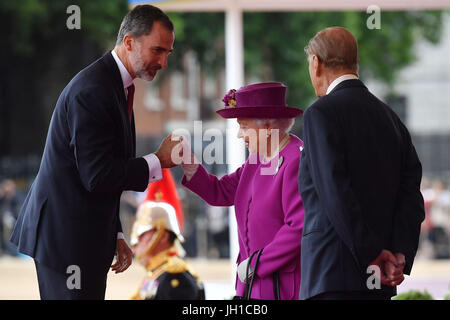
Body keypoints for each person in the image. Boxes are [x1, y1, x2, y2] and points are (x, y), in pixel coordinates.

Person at [10, 5, 179, 300]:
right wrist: (158, 160)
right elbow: (98, 175)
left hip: (78, 237)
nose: (163, 62)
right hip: (65, 242)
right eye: (157, 50)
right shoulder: (95, 90)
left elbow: (102, 169)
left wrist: (114, 234)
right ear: (129, 42)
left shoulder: (115, 86)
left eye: (168, 53)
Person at [298, 27, 425, 300]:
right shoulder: (392, 119)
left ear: (316, 64)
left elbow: (334, 190)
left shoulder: (319, 114)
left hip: (332, 276)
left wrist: (371, 252)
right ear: (356, 64)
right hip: (380, 281)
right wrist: (398, 252)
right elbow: (411, 192)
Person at [180, 82, 305, 299]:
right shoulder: (257, 160)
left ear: (267, 127)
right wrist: (188, 162)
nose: (239, 134)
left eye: (244, 126)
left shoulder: (295, 159)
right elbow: (219, 192)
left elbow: (297, 227)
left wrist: (258, 263)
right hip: (251, 284)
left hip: (281, 287)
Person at [129, 200, 204, 300]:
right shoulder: (156, 273)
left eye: (142, 235)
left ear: (163, 236)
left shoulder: (175, 276)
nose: (136, 243)